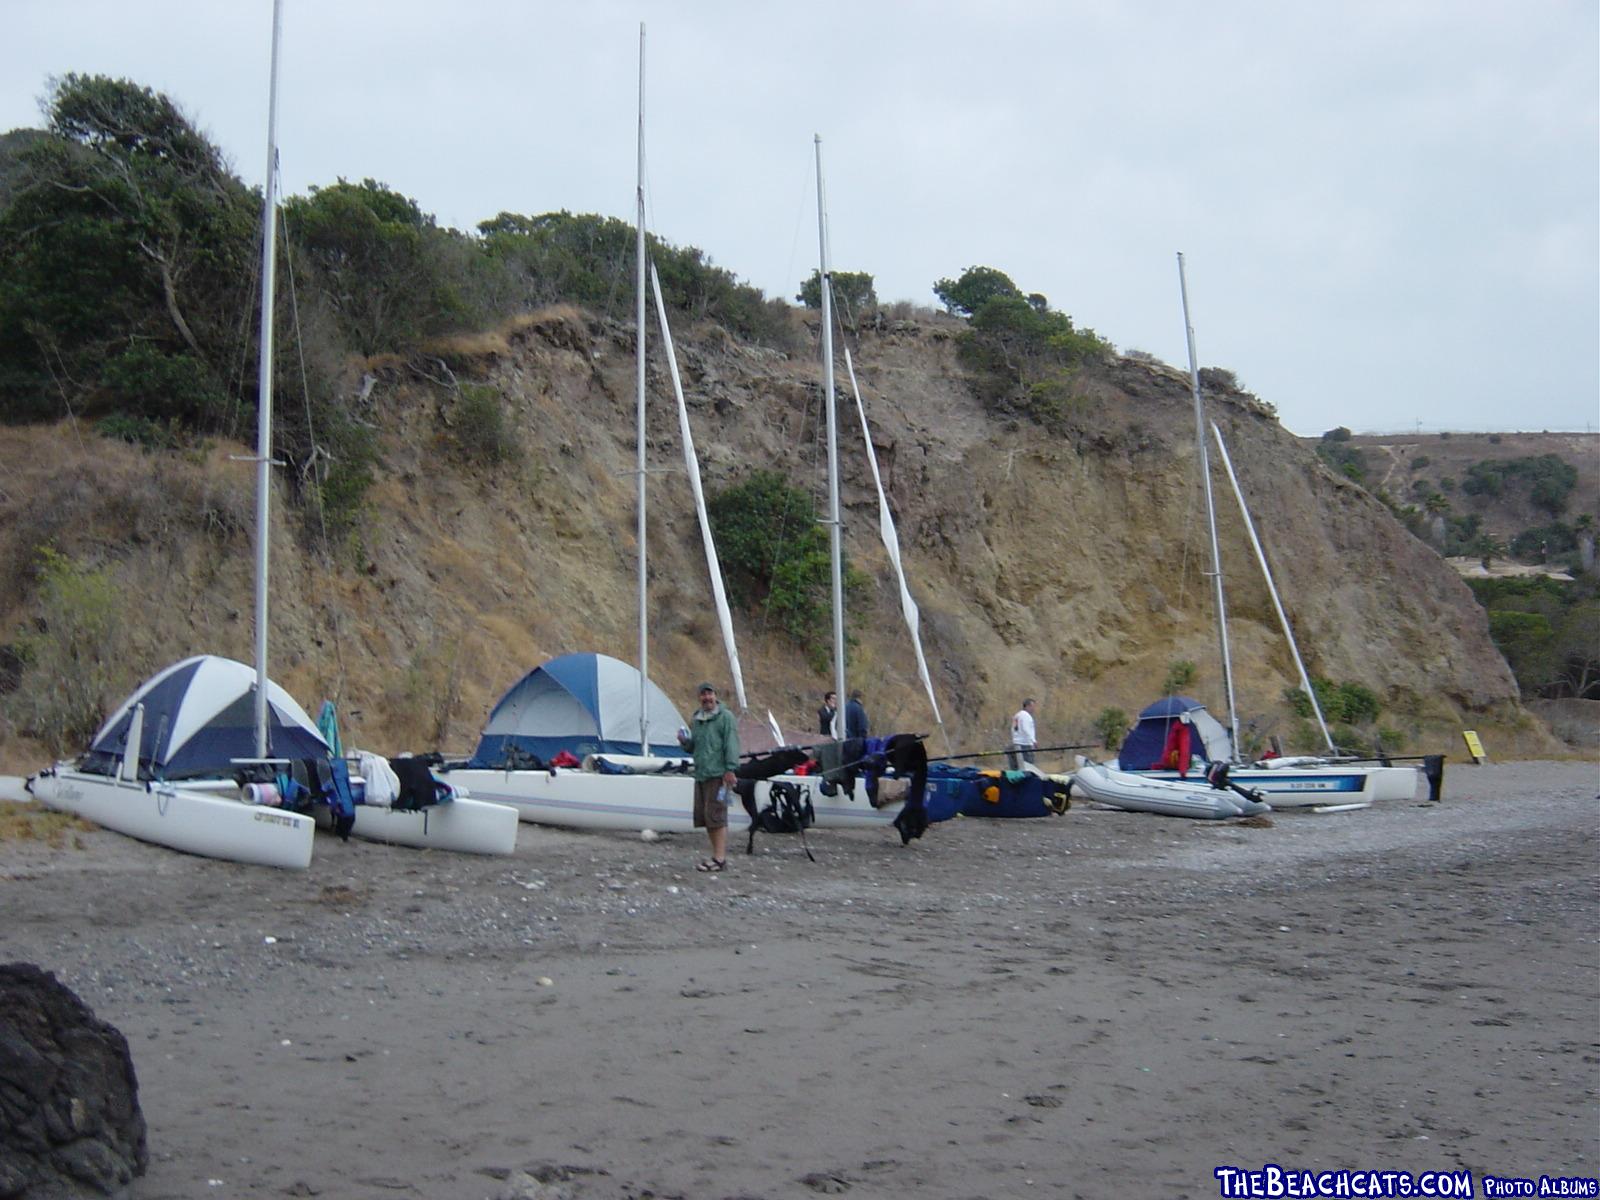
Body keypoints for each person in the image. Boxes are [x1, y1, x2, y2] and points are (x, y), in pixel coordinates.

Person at [677, 681, 739, 873]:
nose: (707, 698)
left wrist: (730, 769)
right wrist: (684, 742)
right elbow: (693, 747)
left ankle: (720, 859)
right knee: (706, 817)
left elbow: (731, 744)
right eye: (703, 695)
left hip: (718, 774)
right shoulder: (697, 719)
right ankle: (716, 856)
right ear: (699, 698)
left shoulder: (725, 717)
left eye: (709, 694)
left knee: (716, 816)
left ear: (715, 696)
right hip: (702, 774)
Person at [1008, 698, 1037, 769]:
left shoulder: (1017, 715)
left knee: (1018, 766)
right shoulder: (1026, 716)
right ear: (1027, 706)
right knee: (1028, 766)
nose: (1034, 708)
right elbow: (1025, 728)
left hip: (1017, 743)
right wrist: (1033, 740)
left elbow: (1013, 729)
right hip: (1025, 744)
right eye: (1032, 706)